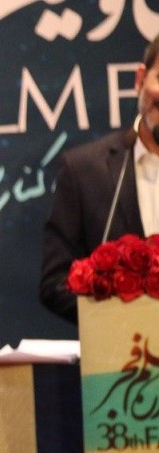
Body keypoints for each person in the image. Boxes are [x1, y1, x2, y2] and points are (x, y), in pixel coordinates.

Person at [40, 32, 159, 323]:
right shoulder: (84, 171)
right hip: (121, 348)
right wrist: (117, 313)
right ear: (140, 79)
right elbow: (56, 283)